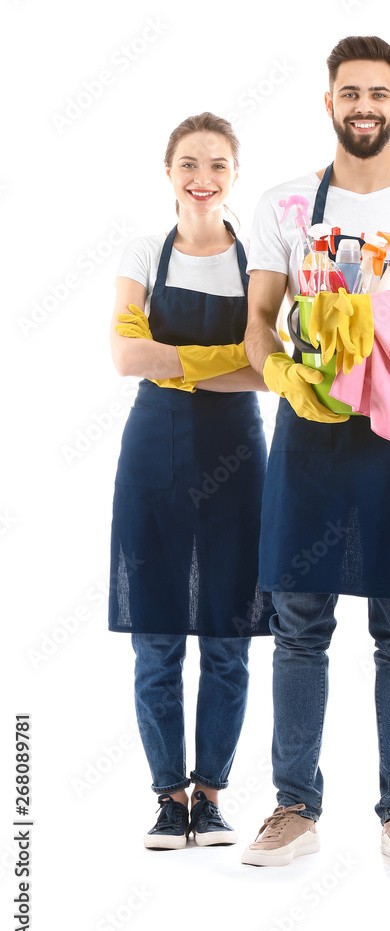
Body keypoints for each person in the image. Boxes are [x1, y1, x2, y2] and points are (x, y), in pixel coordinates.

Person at [241, 36, 390, 870]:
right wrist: (276, 370)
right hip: (308, 434)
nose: (364, 106)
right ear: (329, 102)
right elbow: (257, 316)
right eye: (350, 93)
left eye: (378, 93)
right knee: (300, 620)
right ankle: (294, 807)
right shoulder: (285, 205)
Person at [108, 112, 273, 849]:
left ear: (236, 176)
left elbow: (270, 370)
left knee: (230, 634)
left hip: (239, 454)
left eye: (217, 166)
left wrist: (176, 358)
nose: (203, 179)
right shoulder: (144, 253)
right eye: (188, 165)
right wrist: (219, 363)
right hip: (154, 452)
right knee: (157, 635)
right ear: (168, 173)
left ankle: (211, 796)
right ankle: (167, 799)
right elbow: (124, 357)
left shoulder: (261, 264)